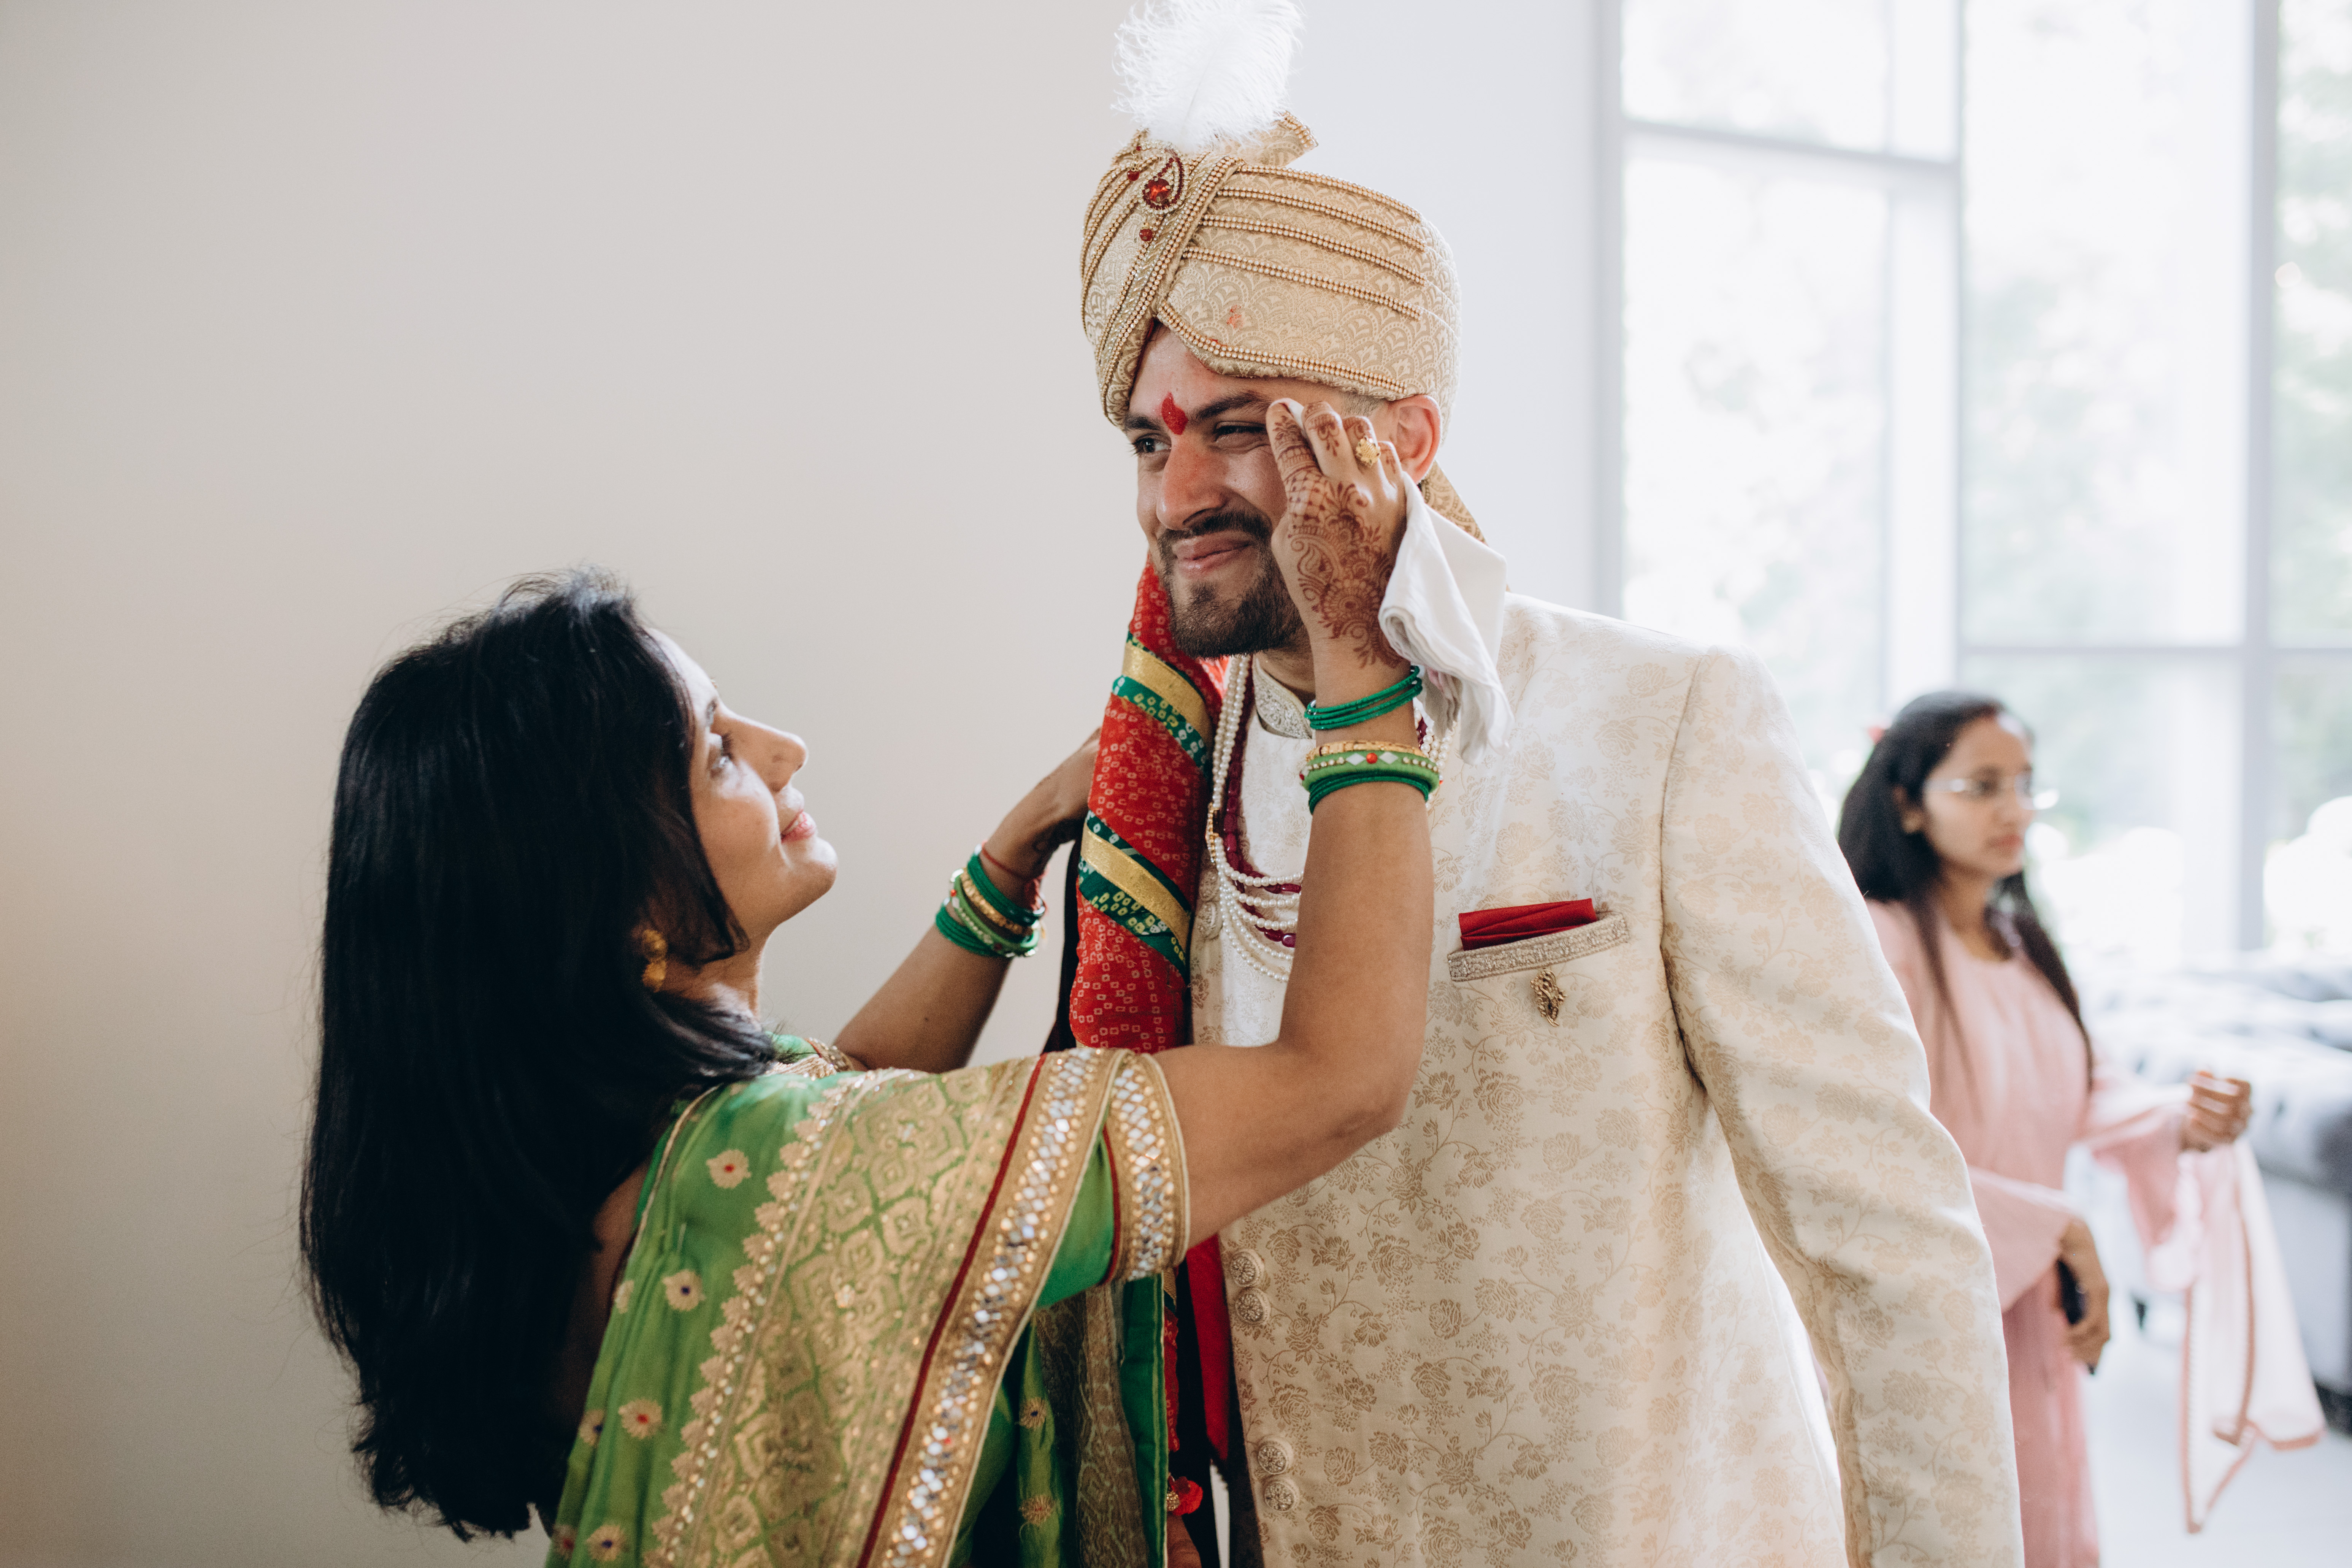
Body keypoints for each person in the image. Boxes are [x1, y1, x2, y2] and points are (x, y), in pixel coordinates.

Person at [1048, 4, 2024, 1563]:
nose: (1177, 493)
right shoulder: (1164, 797)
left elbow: (1881, 1242)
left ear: (1404, 435)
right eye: (1146, 441)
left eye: (1235, 429)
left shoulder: (1659, 718)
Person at [299, 406, 1434, 1568]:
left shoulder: (589, 1177)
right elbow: (1339, 1077)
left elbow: (841, 1100)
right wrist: (1361, 670)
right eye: (717, 752)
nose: (781, 747)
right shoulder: (804, 1179)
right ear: (616, 894)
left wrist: (1014, 852)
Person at [1838, 690, 2326, 1566]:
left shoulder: (2021, 942)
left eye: (2026, 784)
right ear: (1907, 803)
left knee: (2043, 1508)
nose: (2015, 810)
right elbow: (1869, 1138)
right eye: (1982, 785)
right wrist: (2053, 1222)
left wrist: (2183, 1117)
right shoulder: (1879, 942)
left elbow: (2085, 1086)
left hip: (2034, 1291)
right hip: (1935, 1294)